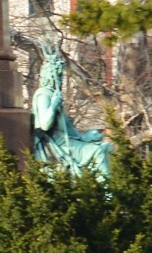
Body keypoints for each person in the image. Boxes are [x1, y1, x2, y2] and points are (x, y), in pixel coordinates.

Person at [31, 37, 112, 176]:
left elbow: (68, 129)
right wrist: (54, 104)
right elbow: (44, 125)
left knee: (107, 148)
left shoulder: (53, 93)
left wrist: (86, 136)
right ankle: (106, 195)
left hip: (70, 140)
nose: (60, 77)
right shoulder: (43, 95)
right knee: (97, 151)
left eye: (60, 74)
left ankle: (100, 188)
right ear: (48, 74)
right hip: (58, 146)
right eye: (56, 74)